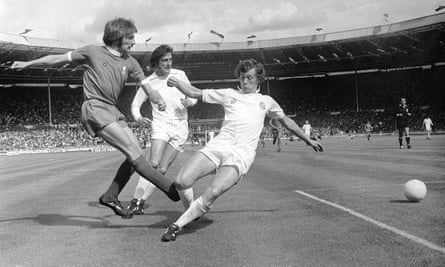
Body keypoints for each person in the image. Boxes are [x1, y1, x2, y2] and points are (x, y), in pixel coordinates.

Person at [10, 18, 180, 219]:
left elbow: (147, 87)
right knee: (134, 152)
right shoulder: (92, 52)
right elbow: (56, 59)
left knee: (136, 152)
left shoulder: (131, 62)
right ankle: (171, 189)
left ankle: (111, 195)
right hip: (95, 108)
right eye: (130, 38)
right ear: (118, 37)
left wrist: (156, 98)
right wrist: (28, 63)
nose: (134, 42)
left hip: (113, 110)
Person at [161, 59, 323, 242]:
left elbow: (287, 121)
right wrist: (177, 82)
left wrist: (308, 139)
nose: (245, 82)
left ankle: (176, 226)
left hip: (241, 155)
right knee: (182, 182)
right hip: (219, 145)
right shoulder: (228, 94)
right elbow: (195, 92)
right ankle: (191, 211)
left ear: (258, 80)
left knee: (213, 192)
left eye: (249, 78)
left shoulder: (266, 101)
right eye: (242, 78)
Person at [126, 44, 197, 215]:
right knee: (153, 163)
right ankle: (136, 200)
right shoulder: (149, 82)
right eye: (164, 60)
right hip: (160, 125)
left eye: (170, 59)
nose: (168, 63)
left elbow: (193, 95)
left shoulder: (179, 75)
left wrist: (190, 102)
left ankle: (140, 202)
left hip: (180, 126)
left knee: (162, 169)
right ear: (156, 63)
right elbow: (135, 105)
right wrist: (138, 117)